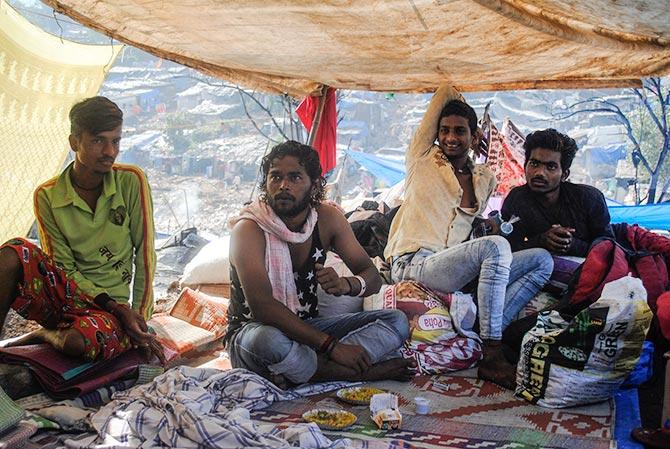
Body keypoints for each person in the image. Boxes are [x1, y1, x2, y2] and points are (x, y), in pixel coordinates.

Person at [384, 84, 553, 389]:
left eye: (460, 131)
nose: (450, 137)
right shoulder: (422, 158)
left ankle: (486, 328)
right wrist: (460, 102)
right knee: (495, 247)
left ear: (473, 138)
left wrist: (488, 228)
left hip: (449, 270)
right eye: (445, 130)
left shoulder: (484, 177)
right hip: (413, 263)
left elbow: (469, 229)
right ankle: (492, 353)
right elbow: (444, 91)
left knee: (542, 260)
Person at [225, 140, 413, 387]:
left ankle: (300, 371)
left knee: (396, 321)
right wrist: (331, 346)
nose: (283, 186)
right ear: (265, 183)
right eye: (275, 177)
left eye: (294, 178)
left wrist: (348, 284)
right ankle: (353, 373)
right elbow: (262, 307)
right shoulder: (248, 229)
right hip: (252, 335)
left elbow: (373, 277)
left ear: (314, 185)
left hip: (306, 330)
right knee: (268, 341)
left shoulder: (327, 219)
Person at [0, 96, 164, 365]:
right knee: (10, 254)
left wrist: (138, 317)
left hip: (110, 310)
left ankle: (48, 335)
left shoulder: (131, 181)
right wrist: (117, 309)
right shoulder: (48, 195)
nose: (110, 151)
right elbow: (63, 269)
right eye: (99, 140)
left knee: (76, 342)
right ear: (74, 142)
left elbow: (145, 254)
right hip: (68, 296)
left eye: (116, 141)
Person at [501, 128, 614, 257]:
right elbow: (508, 249)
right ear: (525, 165)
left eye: (551, 167)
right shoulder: (517, 199)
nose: (539, 173)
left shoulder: (589, 198)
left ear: (564, 175)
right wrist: (542, 241)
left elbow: (608, 248)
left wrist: (572, 244)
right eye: (534, 163)